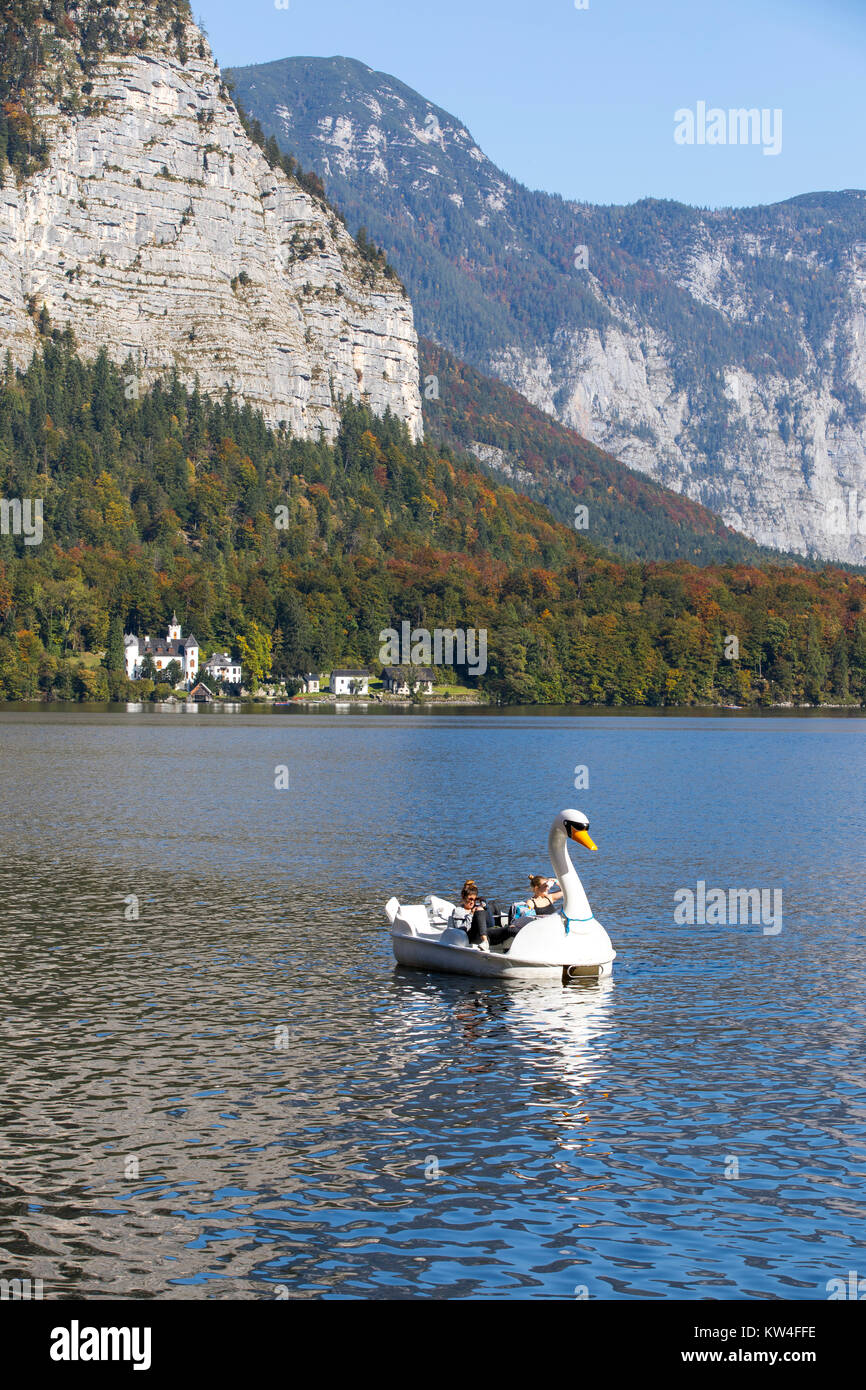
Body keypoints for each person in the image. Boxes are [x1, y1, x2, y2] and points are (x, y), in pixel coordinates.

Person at [453, 880, 496, 950]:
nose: (472, 902)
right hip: (470, 937)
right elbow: (461, 930)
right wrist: (471, 914)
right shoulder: (458, 910)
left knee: (510, 930)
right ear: (463, 897)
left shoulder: (478, 908)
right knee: (479, 910)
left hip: (485, 934)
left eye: (475, 899)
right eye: (470, 899)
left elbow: (491, 924)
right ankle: (485, 941)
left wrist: (485, 906)